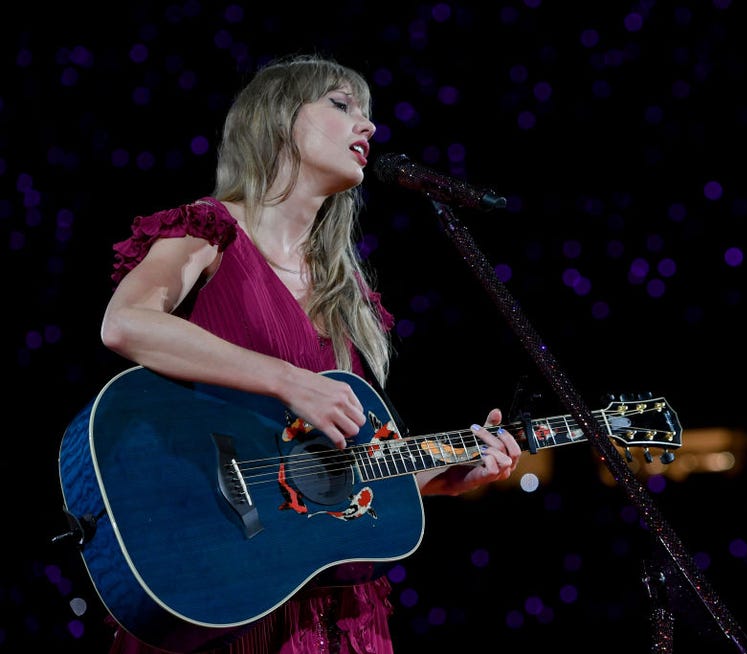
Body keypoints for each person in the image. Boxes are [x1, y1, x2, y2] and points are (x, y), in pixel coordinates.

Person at [99, 53, 522, 654]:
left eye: (368, 114)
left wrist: (439, 475)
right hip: (225, 588)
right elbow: (126, 323)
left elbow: (316, 472)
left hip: (330, 605)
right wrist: (288, 380)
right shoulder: (209, 230)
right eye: (341, 105)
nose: (369, 127)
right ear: (278, 120)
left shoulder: (344, 288)